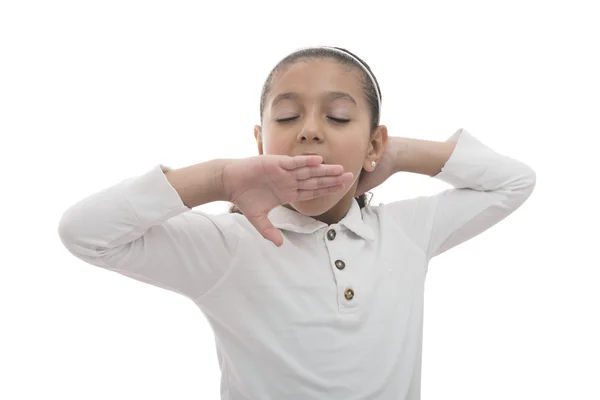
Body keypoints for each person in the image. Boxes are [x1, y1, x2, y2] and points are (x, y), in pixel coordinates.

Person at [57, 46, 536, 400]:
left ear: (374, 144)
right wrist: (219, 179)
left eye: (340, 117)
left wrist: (400, 154)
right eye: (287, 116)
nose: (309, 128)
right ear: (261, 141)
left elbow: (514, 183)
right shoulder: (226, 246)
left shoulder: (408, 232)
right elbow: (85, 234)